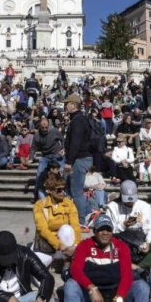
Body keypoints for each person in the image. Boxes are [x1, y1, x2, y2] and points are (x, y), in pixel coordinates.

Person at [32, 173, 79, 267]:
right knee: (36, 269)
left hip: (67, 243)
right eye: (59, 190)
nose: (63, 193)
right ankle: (58, 258)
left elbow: (75, 226)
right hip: (47, 244)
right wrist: (59, 245)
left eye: (64, 189)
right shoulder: (40, 205)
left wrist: (76, 246)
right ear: (49, 190)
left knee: (67, 229)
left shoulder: (69, 203)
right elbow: (43, 229)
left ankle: (66, 260)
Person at [63, 93, 95, 223]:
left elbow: (76, 142)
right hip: (81, 157)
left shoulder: (78, 120)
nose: (65, 106)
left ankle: (81, 221)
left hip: (79, 159)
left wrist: (69, 161)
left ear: (74, 105)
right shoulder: (79, 119)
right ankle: (88, 213)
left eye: (67, 104)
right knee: (76, 190)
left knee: (76, 192)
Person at [32, 117, 65, 197]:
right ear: (39, 127)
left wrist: (63, 149)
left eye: (46, 127)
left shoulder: (54, 131)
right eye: (42, 127)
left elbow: (63, 139)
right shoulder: (37, 135)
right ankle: (37, 194)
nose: (44, 129)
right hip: (45, 156)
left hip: (56, 154)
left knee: (62, 173)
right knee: (39, 174)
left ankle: (64, 193)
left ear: (49, 125)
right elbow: (33, 147)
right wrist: (31, 157)